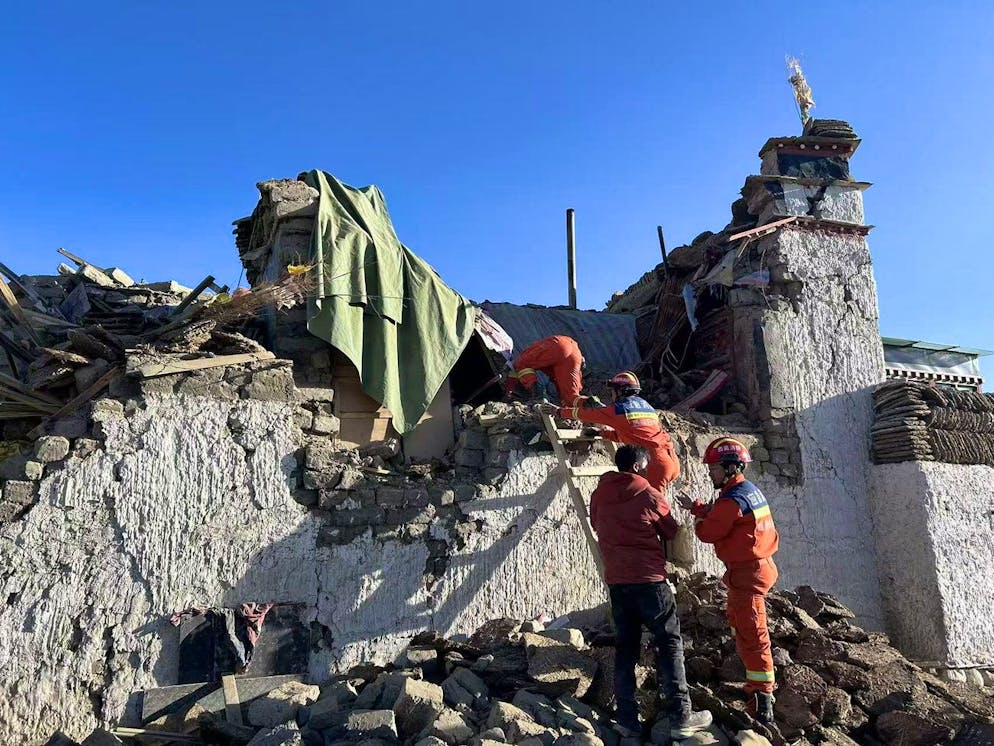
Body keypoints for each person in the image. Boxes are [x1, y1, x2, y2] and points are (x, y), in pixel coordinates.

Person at [591, 444, 713, 739]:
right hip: (650, 582)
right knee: (670, 643)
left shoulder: (599, 494)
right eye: (645, 467)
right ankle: (681, 716)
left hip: (618, 583)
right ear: (636, 467)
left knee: (626, 648)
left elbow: (596, 524)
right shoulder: (648, 494)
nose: (648, 471)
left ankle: (626, 719)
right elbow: (670, 531)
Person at [677, 437, 780, 723]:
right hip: (752, 568)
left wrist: (697, 521)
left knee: (753, 633)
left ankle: (763, 698)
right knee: (741, 624)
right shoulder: (745, 491)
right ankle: (755, 688)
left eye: (713, 468)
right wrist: (697, 507)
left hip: (749, 573)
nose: (710, 472)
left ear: (730, 467)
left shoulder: (733, 499)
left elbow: (710, 531)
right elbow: (725, 515)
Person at [557, 371, 680, 490]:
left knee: (651, 508)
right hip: (671, 460)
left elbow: (588, 414)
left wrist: (559, 412)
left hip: (655, 463)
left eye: (612, 391)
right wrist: (601, 433)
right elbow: (633, 435)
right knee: (649, 504)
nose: (612, 395)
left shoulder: (619, 409)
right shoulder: (646, 407)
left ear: (620, 391)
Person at [504, 335, 585, 405]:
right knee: (571, 397)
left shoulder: (525, 355)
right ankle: (592, 405)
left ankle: (538, 394)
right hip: (575, 352)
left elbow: (516, 368)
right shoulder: (555, 366)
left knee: (521, 364)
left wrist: (508, 392)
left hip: (558, 344)